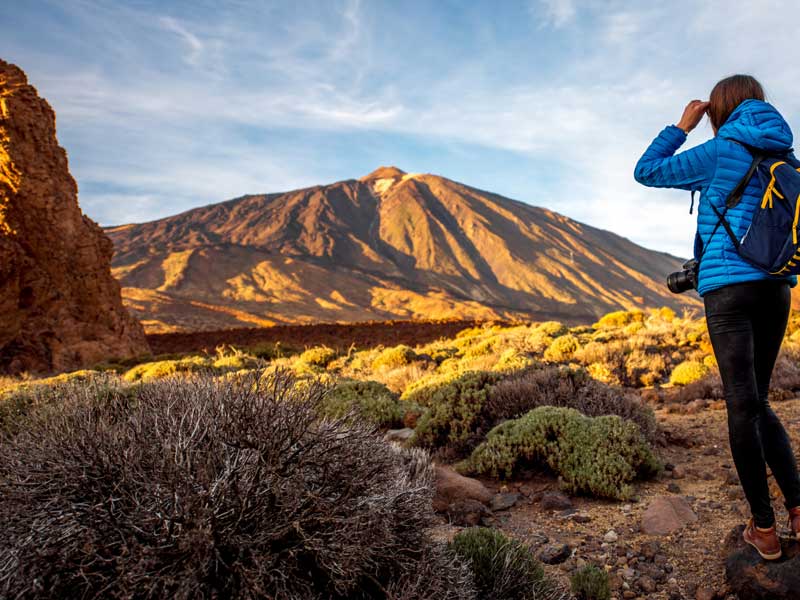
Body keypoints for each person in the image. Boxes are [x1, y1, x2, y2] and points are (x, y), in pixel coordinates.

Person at [634, 74, 800, 561]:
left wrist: (681, 126)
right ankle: (797, 511)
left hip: (728, 291)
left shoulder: (722, 150)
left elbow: (647, 171)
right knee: (762, 402)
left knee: (741, 406)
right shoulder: (785, 156)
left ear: (719, 109)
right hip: (776, 289)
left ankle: (764, 531)